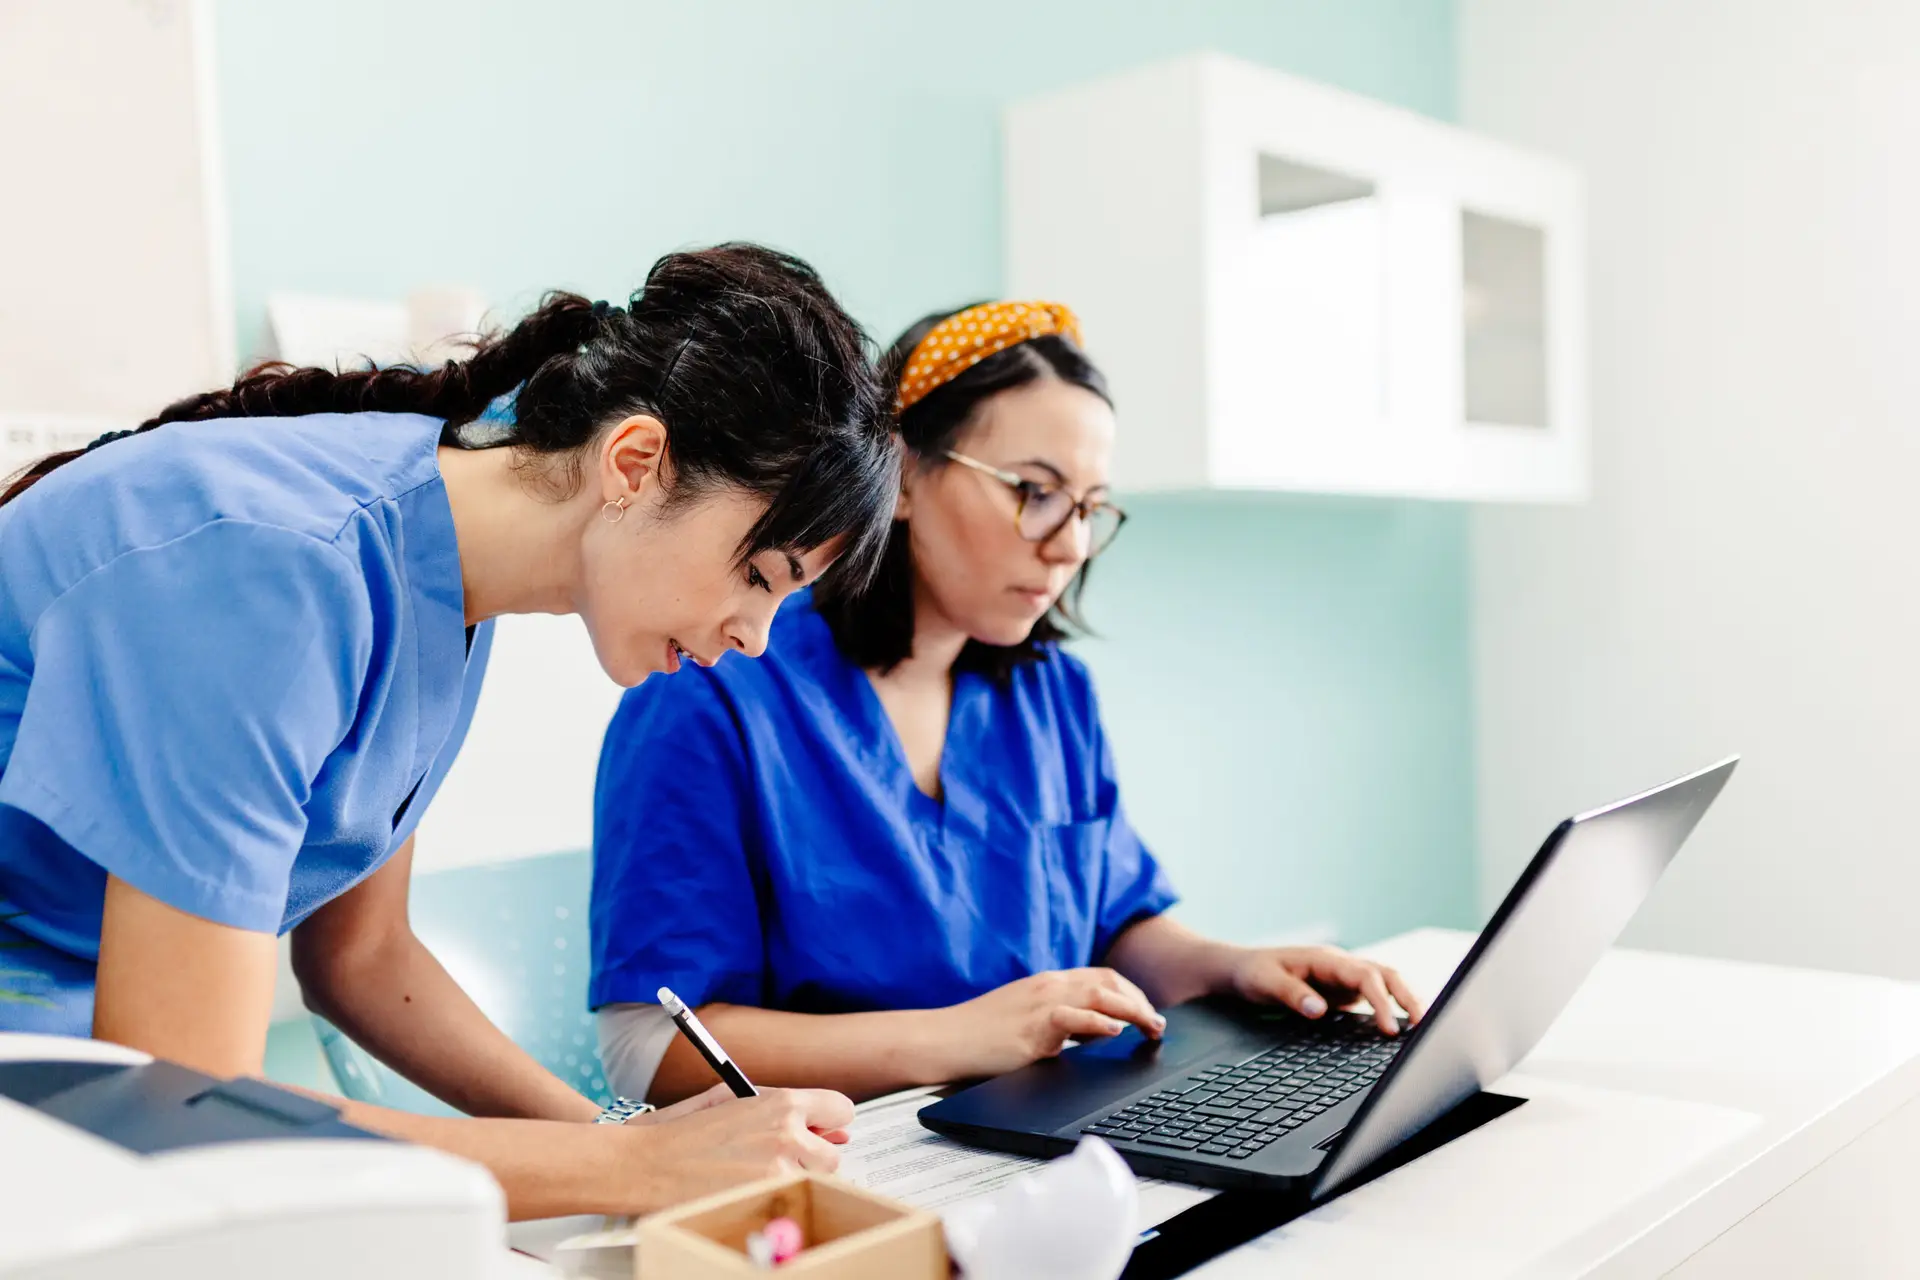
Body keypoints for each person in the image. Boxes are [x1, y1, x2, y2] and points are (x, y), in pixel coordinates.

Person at [0, 244, 897, 1217]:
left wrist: (623, 1138)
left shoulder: (446, 575)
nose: (755, 638)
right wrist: (635, 1169)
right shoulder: (273, 569)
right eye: (760, 575)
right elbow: (187, 1104)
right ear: (634, 462)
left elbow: (362, 957)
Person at [590, 300, 1425, 1105]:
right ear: (904, 474)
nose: (1067, 547)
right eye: (1033, 490)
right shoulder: (713, 685)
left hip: (1051, 1128)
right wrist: (958, 1037)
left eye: (1090, 509)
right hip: (836, 1174)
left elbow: (1116, 927)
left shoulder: (1053, 694)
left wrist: (1234, 967)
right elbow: (650, 1049)